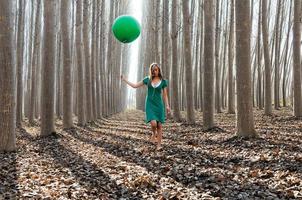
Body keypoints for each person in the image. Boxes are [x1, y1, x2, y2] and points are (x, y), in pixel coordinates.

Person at [121, 63, 171, 150]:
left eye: (156, 69)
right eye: (152, 70)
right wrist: (125, 80)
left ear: (159, 70)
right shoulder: (147, 80)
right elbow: (135, 86)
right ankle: (153, 133)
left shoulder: (163, 81)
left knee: (159, 125)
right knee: (153, 123)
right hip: (150, 104)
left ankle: (159, 145)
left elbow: (165, 95)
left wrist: (167, 106)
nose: (154, 71)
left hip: (159, 105)